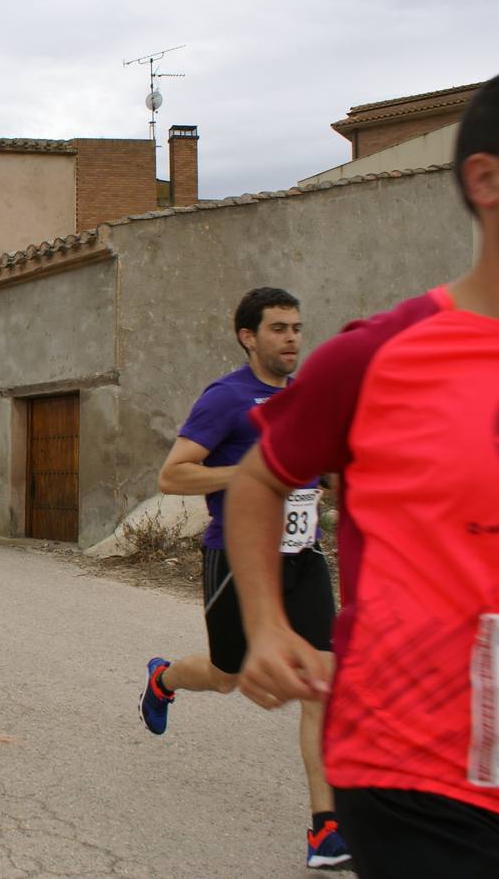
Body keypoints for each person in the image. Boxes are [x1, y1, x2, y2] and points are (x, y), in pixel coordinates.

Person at [227, 75, 499, 878]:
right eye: (277, 329)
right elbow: (257, 480)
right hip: (416, 770)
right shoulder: (379, 355)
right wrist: (266, 625)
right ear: (487, 181)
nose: (289, 338)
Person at [137, 287, 349, 870]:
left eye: (298, 328)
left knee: (323, 682)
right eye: (278, 329)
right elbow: (174, 475)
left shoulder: (308, 396)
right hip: (235, 558)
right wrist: (257, 475)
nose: (291, 340)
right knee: (228, 677)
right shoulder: (226, 399)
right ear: (247, 336)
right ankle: (165, 679)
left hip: (303, 558)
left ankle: (325, 827)